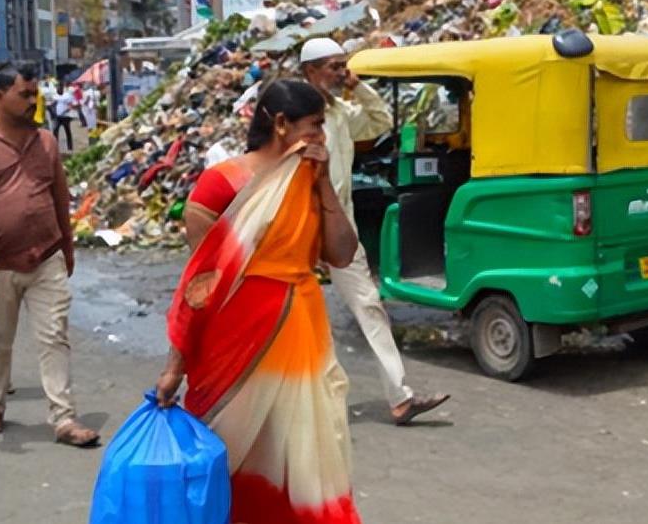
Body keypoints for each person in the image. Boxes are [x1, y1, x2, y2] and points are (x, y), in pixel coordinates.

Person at [155, 79, 362, 522]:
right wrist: (176, 365)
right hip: (233, 342)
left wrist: (324, 185)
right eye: (314, 125)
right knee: (233, 455)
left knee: (304, 456)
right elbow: (199, 287)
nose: (321, 136)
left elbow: (342, 253)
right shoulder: (223, 184)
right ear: (281, 124)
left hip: (300, 333)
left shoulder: (310, 179)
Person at [299, 37, 450, 425]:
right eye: (334, 66)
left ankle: (401, 398)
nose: (341, 73)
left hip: (340, 227)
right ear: (311, 71)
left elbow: (380, 122)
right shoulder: (294, 113)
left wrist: (359, 87)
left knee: (369, 304)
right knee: (291, 315)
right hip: (299, 228)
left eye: (343, 65)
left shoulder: (340, 112)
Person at [0, 63, 100, 448]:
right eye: (25, 94)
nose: (33, 101)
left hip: (46, 258)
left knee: (54, 336)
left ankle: (63, 418)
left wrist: (67, 247)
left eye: (35, 94)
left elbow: (59, 198)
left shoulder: (45, 141)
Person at [52, 81, 76, 152]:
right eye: (57, 87)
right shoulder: (56, 96)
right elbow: (54, 103)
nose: (58, 89)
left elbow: (71, 104)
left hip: (66, 117)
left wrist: (68, 109)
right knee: (55, 130)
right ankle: (55, 147)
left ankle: (70, 147)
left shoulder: (67, 95)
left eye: (59, 87)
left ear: (62, 88)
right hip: (58, 116)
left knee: (67, 131)